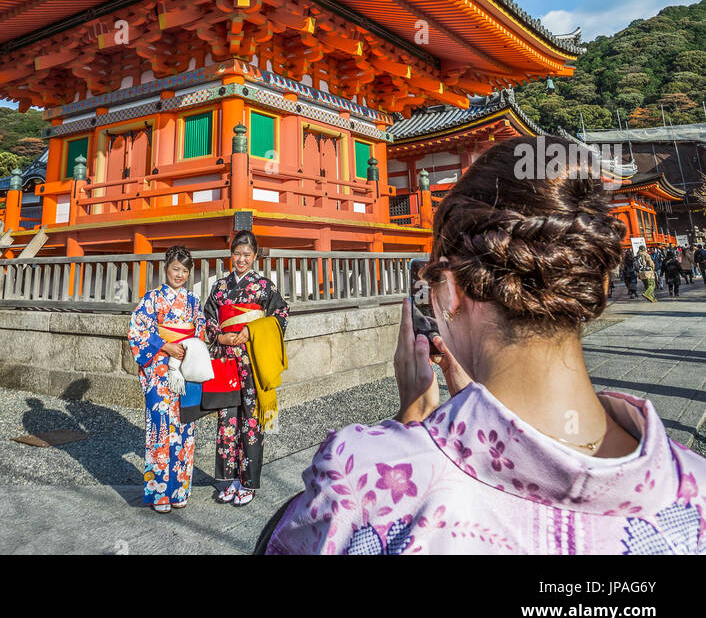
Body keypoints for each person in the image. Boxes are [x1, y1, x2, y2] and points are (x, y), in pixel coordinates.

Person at [264, 137, 706, 555]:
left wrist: (414, 422)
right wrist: (472, 409)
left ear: (450, 291)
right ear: (594, 278)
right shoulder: (694, 484)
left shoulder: (362, 469)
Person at [205, 230, 288, 506]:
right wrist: (219, 336)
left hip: (251, 359)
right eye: (237, 254)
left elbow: (281, 314)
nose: (241, 259)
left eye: (247, 255)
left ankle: (248, 482)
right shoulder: (219, 287)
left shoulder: (263, 286)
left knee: (251, 419)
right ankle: (227, 480)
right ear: (231, 255)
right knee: (227, 419)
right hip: (226, 360)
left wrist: (253, 331)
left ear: (255, 257)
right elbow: (208, 317)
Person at [128, 244, 206, 513]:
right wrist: (166, 345)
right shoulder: (151, 299)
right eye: (175, 269)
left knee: (185, 429)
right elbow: (137, 331)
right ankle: (159, 493)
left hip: (184, 370)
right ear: (166, 268)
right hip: (160, 372)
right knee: (160, 429)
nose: (180, 275)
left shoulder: (194, 302)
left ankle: (179, 490)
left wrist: (188, 347)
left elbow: (201, 330)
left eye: (185, 271)